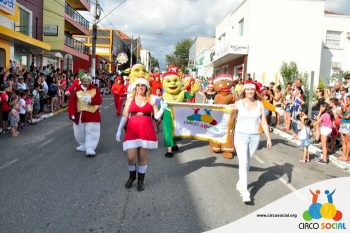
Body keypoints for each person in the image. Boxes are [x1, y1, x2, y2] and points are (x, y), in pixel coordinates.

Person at [116, 77, 166, 191]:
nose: (140, 88)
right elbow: (125, 116)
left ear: (146, 87)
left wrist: (162, 108)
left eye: (142, 86)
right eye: (138, 86)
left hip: (146, 131)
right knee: (130, 157)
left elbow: (157, 116)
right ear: (135, 87)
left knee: (142, 158)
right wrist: (119, 130)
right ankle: (132, 176)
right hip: (132, 130)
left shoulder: (151, 100)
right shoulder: (130, 99)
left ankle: (141, 180)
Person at [231, 80, 272, 203]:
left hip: (255, 136)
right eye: (248, 89)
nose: (250, 91)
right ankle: (244, 192)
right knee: (243, 162)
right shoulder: (238, 103)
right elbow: (231, 117)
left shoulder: (260, 104)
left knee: (247, 162)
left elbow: (263, 122)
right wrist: (230, 129)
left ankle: (240, 183)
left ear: (255, 91)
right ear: (244, 91)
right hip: (240, 136)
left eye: (252, 89)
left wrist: (269, 138)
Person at [68, 74, 102, 157]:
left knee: (92, 131)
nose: (86, 84)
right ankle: (82, 144)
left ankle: (90, 147)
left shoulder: (95, 89)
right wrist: (71, 114)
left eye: (87, 82)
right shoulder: (76, 90)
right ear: (81, 81)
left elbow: (99, 101)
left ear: (90, 81)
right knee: (78, 131)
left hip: (92, 114)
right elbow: (72, 102)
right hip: (79, 114)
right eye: (84, 82)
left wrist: (91, 99)